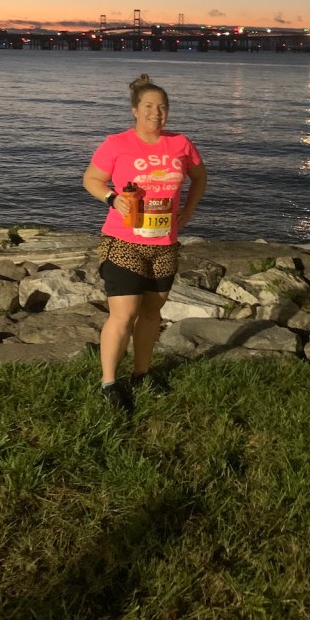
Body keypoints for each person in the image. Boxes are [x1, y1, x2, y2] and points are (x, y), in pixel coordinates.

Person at [83, 73, 207, 411]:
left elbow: (199, 177)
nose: (156, 113)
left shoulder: (181, 143)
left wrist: (188, 211)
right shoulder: (117, 143)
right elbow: (91, 179)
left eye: (162, 107)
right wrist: (112, 199)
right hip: (123, 240)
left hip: (164, 242)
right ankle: (109, 382)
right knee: (123, 314)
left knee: (152, 313)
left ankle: (142, 373)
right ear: (135, 110)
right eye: (149, 106)